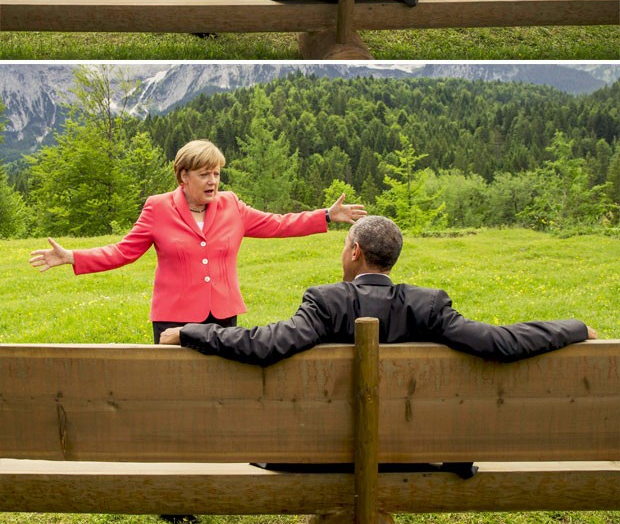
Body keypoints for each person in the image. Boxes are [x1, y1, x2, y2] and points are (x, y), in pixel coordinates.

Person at [29, 139, 367, 344]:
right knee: (175, 390)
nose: (213, 181)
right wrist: (73, 256)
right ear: (183, 176)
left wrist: (325, 215)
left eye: (217, 173)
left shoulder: (232, 204)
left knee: (220, 387)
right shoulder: (157, 208)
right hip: (173, 316)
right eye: (205, 174)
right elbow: (123, 252)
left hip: (222, 315)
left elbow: (277, 224)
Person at [159, 214, 596, 365]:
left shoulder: (325, 302)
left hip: (324, 454)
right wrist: (574, 328)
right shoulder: (428, 305)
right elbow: (501, 342)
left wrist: (191, 331)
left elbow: (266, 344)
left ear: (354, 252)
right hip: (413, 452)